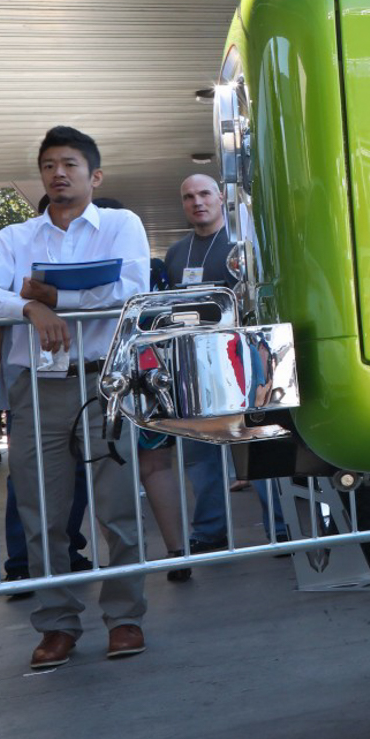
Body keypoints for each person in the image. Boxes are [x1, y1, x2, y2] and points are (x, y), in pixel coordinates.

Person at [0, 127, 151, 669]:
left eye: (69, 164)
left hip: (106, 383)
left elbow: (132, 290)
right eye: (48, 165)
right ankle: (58, 624)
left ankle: (125, 617)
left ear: (95, 175)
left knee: (117, 509)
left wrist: (51, 293)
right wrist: (30, 308)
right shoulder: (15, 238)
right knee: (42, 512)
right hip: (36, 389)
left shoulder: (120, 224)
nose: (57, 173)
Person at [141, 174, 240, 573]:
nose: (197, 202)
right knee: (200, 456)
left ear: (220, 197)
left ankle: (281, 528)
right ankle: (210, 531)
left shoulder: (242, 245)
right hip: (192, 367)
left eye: (204, 194)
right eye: (188, 197)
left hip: (239, 361)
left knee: (257, 448)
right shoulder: (176, 253)